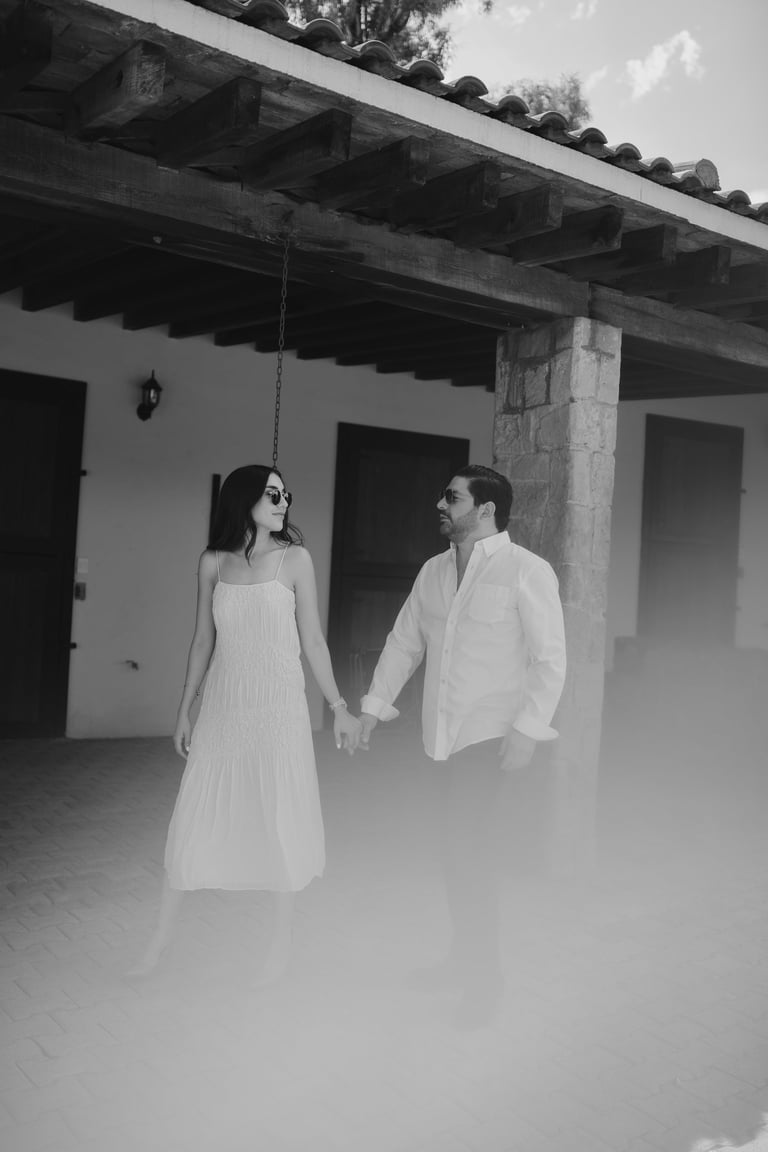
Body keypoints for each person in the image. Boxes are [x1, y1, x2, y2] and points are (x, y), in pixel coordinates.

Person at [131, 465, 360, 983]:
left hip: (279, 708)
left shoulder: (296, 559)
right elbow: (202, 640)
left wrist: (340, 706)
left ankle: (279, 946)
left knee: (278, 819)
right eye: (273, 494)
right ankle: (159, 941)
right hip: (225, 707)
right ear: (245, 499)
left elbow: (313, 640)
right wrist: (184, 709)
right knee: (194, 816)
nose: (283, 502)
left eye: (285, 494)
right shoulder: (213, 561)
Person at [358, 464, 566, 1028]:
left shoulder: (527, 570)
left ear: (486, 509)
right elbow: (404, 643)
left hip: (489, 738)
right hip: (438, 738)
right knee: (453, 853)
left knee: (470, 856)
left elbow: (549, 659)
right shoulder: (432, 571)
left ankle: (484, 983)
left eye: (452, 497)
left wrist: (528, 729)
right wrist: (374, 707)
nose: (441, 505)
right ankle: (461, 961)